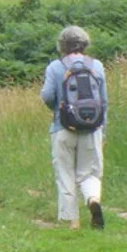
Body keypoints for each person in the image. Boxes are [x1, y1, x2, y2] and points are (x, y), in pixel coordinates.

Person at [41, 25, 108, 230]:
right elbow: (103, 101)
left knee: (65, 174)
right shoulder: (96, 65)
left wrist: (58, 109)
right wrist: (102, 129)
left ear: (62, 45)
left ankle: (73, 221)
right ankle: (92, 200)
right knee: (90, 173)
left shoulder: (55, 66)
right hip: (91, 129)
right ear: (85, 43)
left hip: (63, 128)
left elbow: (47, 96)